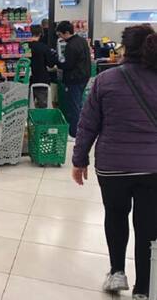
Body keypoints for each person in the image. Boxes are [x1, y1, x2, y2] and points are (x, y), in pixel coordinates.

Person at [72, 25, 157, 300]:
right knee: (148, 226)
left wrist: (79, 159)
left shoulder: (105, 80)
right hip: (153, 168)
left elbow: (88, 124)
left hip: (112, 167)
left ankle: (117, 272)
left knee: (116, 216)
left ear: (124, 48)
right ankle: (144, 288)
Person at [56, 20, 92, 137]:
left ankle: (74, 133)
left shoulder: (71, 46)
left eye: (60, 34)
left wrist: (58, 64)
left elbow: (68, 65)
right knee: (79, 104)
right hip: (84, 77)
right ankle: (81, 130)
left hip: (74, 79)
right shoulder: (82, 41)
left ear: (67, 32)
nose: (60, 37)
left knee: (73, 106)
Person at [28, 25, 59, 108]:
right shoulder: (44, 47)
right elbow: (51, 64)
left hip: (25, 80)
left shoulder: (23, 47)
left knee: (24, 105)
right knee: (43, 105)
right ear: (40, 34)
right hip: (41, 79)